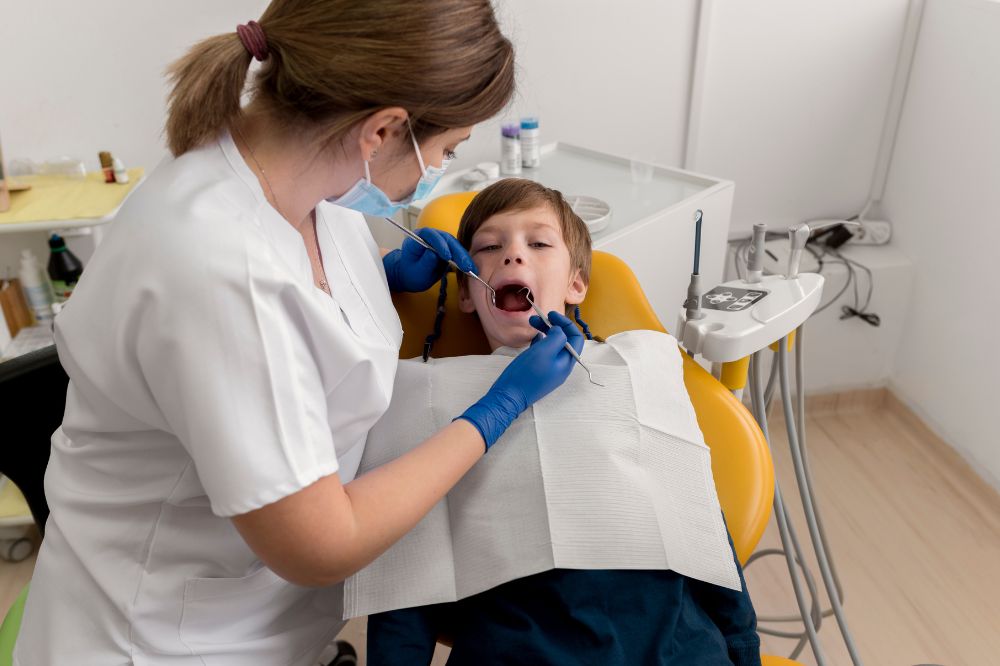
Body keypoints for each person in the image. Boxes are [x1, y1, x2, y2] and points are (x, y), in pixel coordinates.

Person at [14, 4, 585, 665]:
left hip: (268, 615)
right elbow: (321, 545)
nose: (436, 168)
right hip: (165, 639)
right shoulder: (219, 271)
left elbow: (295, 316)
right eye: (446, 150)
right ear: (383, 130)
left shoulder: (307, 182)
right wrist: (498, 408)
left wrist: (382, 278)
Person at [365, 178, 762, 666]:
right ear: (467, 292)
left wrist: (744, 652)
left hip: (674, 646)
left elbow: (699, 522)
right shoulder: (423, 396)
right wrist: (382, 276)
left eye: (538, 243)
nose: (513, 255)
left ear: (577, 283)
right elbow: (405, 581)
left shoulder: (633, 371)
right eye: (489, 246)